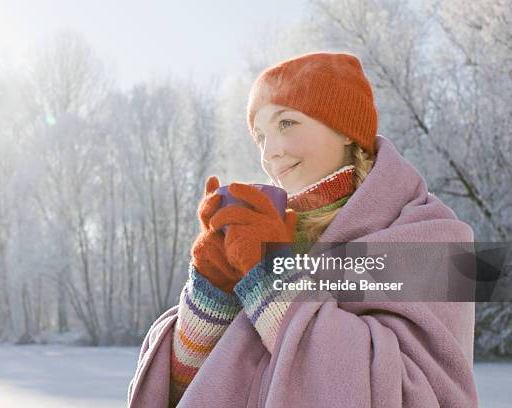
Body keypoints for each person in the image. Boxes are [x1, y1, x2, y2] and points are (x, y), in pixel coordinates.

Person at [128, 51, 478, 407]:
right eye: (261, 136)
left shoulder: (440, 241)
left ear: (345, 129)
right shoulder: (270, 234)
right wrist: (211, 293)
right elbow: (181, 390)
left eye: (286, 124)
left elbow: (410, 395)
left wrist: (272, 281)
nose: (270, 154)